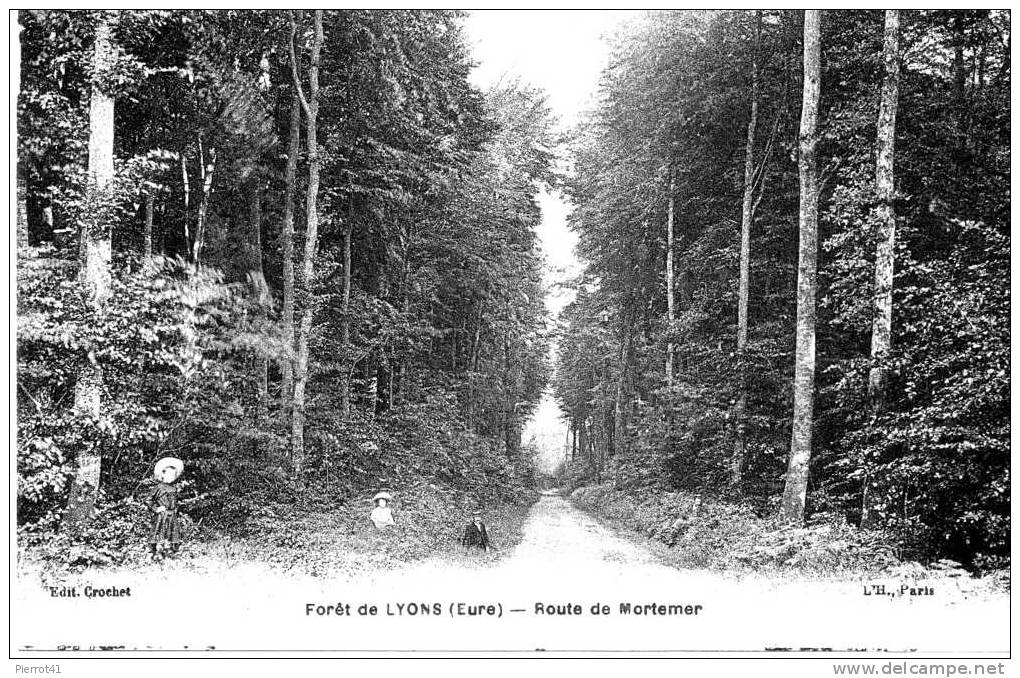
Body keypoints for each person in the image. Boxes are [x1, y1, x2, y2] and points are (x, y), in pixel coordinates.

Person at [148, 457, 184, 559]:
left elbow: (174, 502)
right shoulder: (158, 487)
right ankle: (157, 553)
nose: (171, 477)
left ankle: (170, 552)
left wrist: (174, 508)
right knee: (159, 532)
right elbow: (148, 500)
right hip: (162, 516)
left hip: (171, 515)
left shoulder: (173, 488)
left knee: (172, 533)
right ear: (163, 474)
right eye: (168, 474)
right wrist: (156, 508)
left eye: (173, 475)